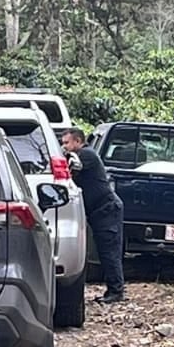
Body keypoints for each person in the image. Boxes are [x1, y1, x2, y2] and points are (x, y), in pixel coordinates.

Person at [60, 127, 125, 303]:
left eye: (66, 143)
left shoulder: (86, 154)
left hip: (106, 209)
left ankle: (116, 291)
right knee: (105, 252)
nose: (64, 146)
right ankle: (114, 289)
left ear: (78, 141)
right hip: (99, 212)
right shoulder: (82, 156)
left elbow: (69, 166)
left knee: (109, 252)